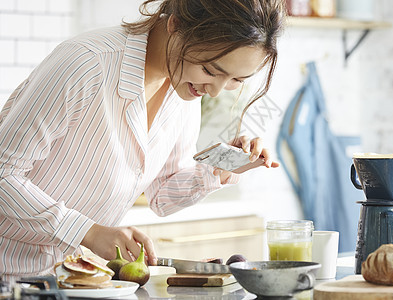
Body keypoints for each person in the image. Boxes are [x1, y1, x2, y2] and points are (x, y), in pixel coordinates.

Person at [0, 0, 285, 279]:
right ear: (176, 25)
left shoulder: (184, 90)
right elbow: (4, 174)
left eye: (237, 80)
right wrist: (87, 231)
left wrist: (221, 168)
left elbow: (162, 197)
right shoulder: (87, 62)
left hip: (72, 278)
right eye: (211, 70)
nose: (216, 90)